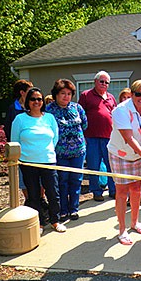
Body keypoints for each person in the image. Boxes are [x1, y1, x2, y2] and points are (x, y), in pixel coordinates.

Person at [107, 80, 141, 245]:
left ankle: (134, 223)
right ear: (132, 94)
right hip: (120, 154)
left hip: (138, 154)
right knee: (121, 192)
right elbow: (128, 137)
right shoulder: (121, 110)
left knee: (136, 189)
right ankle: (122, 230)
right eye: (139, 94)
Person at [11, 87, 66, 234]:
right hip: (28, 163)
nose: (36, 102)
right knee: (33, 195)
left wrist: (45, 152)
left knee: (53, 193)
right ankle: (40, 223)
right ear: (27, 101)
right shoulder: (20, 119)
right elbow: (14, 141)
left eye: (39, 99)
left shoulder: (49, 118)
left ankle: (55, 220)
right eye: (33, 99)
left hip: (48, 161)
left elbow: (55, 138)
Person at [46, 79, 88, 222]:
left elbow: (85, 125)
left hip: (78, 151)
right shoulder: (49, 110)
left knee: (76, 180)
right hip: (60, 153)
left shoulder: (77, 108)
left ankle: (74, 209)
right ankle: (63, 210)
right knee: (62, 181)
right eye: (63, 93)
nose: (66, 96)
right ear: (56, 94)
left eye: (69, 94)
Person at [78, 71, 117, 202]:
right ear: (95, 81)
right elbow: (80, 116)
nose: (104, 84)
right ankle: (96, 191)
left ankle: (113, 190)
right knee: (94, 166)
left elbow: (115, 115)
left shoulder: (111, 97)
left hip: (109, 138)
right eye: (102, 81)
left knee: (111, 165)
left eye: (107, 82)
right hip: (91, 137)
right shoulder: (86, 95)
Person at [4, 79, 34, 199]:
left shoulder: (34, 105)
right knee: (23, 175)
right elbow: (9, 128)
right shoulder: (13, 109)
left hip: (35, 147)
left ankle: (41, 199)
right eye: (29, 91)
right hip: (21, 149)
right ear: (22, 92)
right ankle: (28, 199)